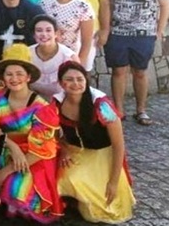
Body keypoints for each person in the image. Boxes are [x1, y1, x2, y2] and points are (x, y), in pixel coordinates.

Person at [0, 44, 63, 223]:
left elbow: (42, 150)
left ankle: (2, 186)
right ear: (3, 78)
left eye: (19, 74)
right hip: (5, 146)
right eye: (9, 74)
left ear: (28, 77)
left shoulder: (42, 107)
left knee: (17, 192)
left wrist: (6, 171)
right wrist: (12, 145)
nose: (14, 79)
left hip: (32, 155)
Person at [53, 61, 136, 224]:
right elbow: (55, 134)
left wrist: (113, 182)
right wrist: (64, 150)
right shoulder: (57, 102)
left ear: (86, 80)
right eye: (69, 79)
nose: (75, 83)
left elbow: (119, 145)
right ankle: (73, 201)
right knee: (63, 179)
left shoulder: (101, 105)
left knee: (104, 208)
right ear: (61, 83)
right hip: (76, 152)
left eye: (79, 79)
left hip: (103, 156)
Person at [106, 0, 169, 126]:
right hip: (118, 32)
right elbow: (107, 4)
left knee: (140, 72)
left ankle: (141, 110)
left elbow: (164, 5)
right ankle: (118, 109)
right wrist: (106, 27)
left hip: (144, 33)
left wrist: (159, 30)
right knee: (118, 71)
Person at [39, 0, 95, 68]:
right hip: (45, 53)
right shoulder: (45, 0)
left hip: (69, 55)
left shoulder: (83, 6)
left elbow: (87, 41)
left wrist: (79, 64)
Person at [28, 15, 78, 100]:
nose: (44, 34)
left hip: (61, 102)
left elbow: (75, 86)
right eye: (39, 30)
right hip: (33, 101)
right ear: (34, 35)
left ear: (56, 34)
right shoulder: (26, 53)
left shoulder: (69, 57)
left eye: (48, 30)